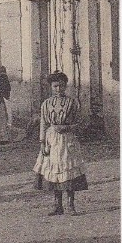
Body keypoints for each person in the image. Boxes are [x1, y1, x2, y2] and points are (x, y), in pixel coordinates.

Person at [34, 71, 88, 216]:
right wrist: (42, 143)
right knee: (53, 172)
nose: (59, 89)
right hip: (51, 139)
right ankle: (58, 206)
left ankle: (71, 206)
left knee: (68, 171)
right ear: (51, 87)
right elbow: (43, 124)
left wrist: (67, 127)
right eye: (56, 86)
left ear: (65, 86)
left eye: (62, 86)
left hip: (67, 140)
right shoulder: (46, 104)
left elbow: (80, 122)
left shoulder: (72, 102)